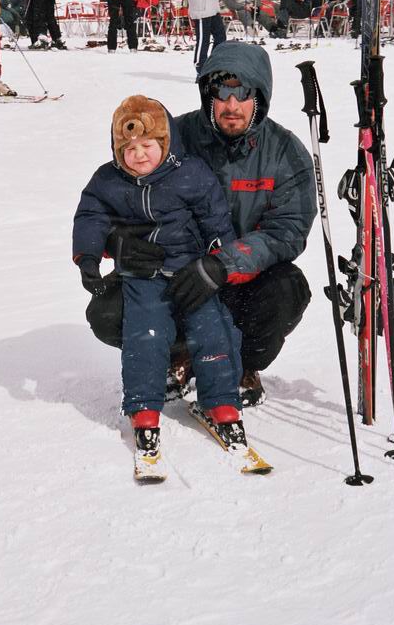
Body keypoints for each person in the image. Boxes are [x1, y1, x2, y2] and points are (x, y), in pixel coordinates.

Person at [85, 42, 316, 408]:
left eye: (243, 92)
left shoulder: (286, 152)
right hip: (177, 275)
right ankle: (178, 355)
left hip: (243, 280)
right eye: (222, 92)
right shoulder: (175, 136)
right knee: (107, 311)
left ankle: (241, 365)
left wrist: (223, 264)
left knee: (288, 288)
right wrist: (116, 240)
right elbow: (117, 194)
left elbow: (286, 231)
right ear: (208, 93)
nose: (231, 105)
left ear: (259, 95)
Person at [73, 95, 245, 461]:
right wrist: (88, 257)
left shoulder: (191, 173)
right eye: (129, 148)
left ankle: (222, 402)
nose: (138, 155)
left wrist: (220, 259)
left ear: (165, 143)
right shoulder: (108, 180)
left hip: (191, 273)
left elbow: (215, 217)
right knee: (145, 336)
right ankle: (144, 408)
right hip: (142, 276)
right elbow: (90, 215)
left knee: (214, 331)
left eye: (147, 146)